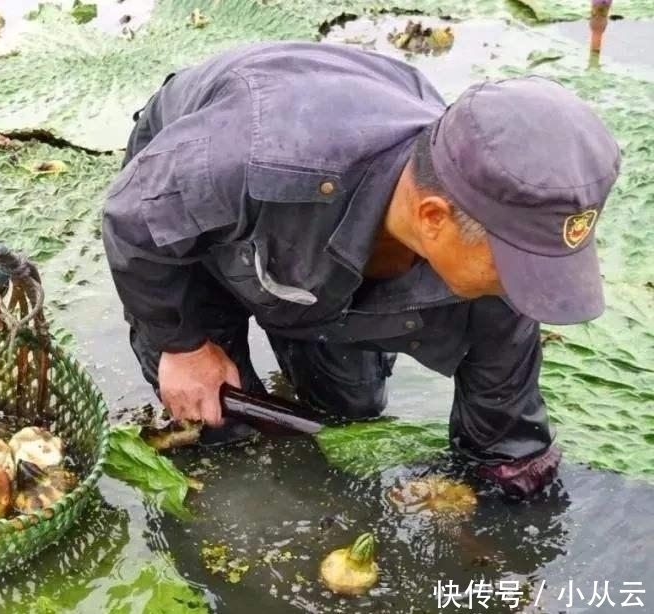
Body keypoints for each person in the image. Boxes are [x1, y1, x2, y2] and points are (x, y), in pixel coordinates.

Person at [100, 41, 621, 499]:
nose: (530, 291)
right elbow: (133, 221)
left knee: (352, 408)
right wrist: (183, 346)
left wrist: (503, 530)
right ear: (434, 218)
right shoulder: (247, 157)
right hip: (210, 202)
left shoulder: (496, 261)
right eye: (519, 265)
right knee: (219, 425)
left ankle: (299, 329)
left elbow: (508, 446)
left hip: (336, 235)